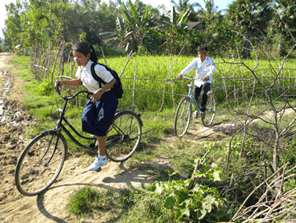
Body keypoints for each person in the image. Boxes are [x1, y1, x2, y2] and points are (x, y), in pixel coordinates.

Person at [56, 42, 118, 171]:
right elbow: (79, 82)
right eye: (74, 56)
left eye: (79, 56)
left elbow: (112, 81)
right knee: (86, 118)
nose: (76, 59)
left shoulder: (97, 68)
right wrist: (63, 82)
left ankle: (102, 158)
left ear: (88, 55)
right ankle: (99, 139)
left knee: (100, 126)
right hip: (95, 97)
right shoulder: (82, 68)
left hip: (107, 97)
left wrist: (101, 91)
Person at [176, 45, 215, 118]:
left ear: (206, 53)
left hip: (207, 81)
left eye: (202, 53)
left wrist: (208, 75)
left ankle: (202, 111)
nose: (200, 55)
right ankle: (197, 110)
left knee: (203, 94)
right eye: (199, 53)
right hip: (198, 81)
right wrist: (181, 74)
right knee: (194, 95)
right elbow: (189, 67)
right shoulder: (196, 61)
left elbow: (212, 69)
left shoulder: (210, 60)